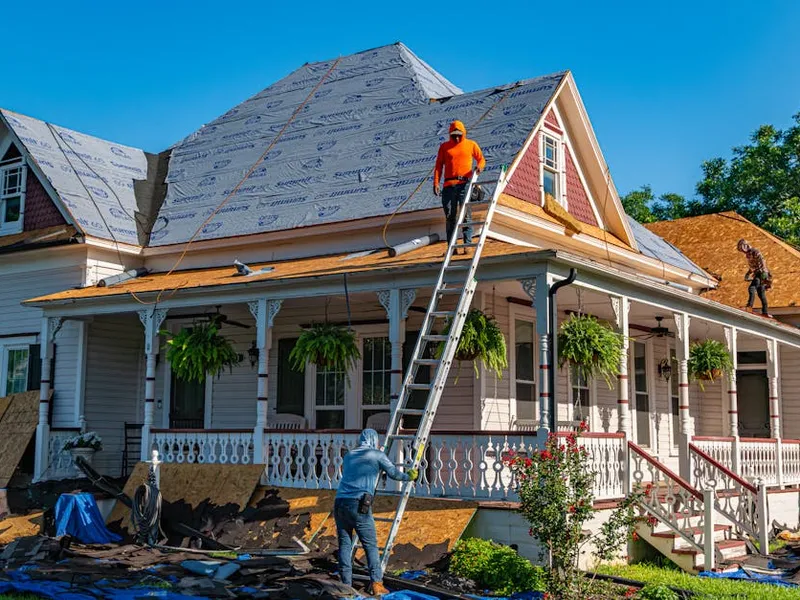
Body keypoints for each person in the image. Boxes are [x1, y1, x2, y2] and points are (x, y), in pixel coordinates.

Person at [334, 428, 418, 596]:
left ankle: (346, 585)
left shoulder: (349, 455)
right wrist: (409, 476)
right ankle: (377, 584)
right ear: (374, 440)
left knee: (344, 544)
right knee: (370, 545)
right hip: (359, 503)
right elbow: (393, 473)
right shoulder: (377, 455)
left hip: (340, 502)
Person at [433, 120, 486, 254]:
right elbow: (439, 166)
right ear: (450, 134)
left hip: (464, 184)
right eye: (454, 135)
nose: (456, 138)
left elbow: (481, 159)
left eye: (459, 135)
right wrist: (436, 183)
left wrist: (479, 167)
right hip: (448, 186)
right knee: (450, 217)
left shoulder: (470, 144)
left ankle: (467, 244)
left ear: (463, 134)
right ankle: (452, 248)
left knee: (465, 215)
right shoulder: (445, 147)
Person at [737, 238, 772, 316]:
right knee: (761, 293)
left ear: (745, 246)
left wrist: (764, 272)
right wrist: (748, 274)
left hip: (761, 273)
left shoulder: (755, 251)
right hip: (759, 273)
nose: (742, 251)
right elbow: (753, 266)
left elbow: (762, 260)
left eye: (742, 249)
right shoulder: (749, 255)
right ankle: (765, 312)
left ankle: (749, 306)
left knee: (752, 288)